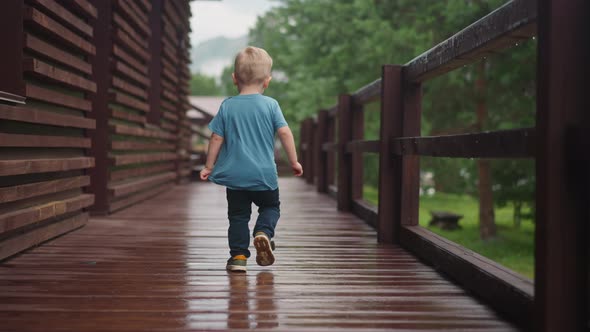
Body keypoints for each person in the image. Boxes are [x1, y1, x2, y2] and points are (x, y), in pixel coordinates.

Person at [200, 46, 303, 273]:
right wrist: (294, 161)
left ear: (234, 78)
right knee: (270, 206)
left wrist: (209, 166)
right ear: (267, 81)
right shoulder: (271, 105)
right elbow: (285, 133)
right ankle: (263, 232)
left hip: (235, 177)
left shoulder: (227, 106)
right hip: (264, 175)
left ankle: (238, 257)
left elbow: (216, 137)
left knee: (238, 216)